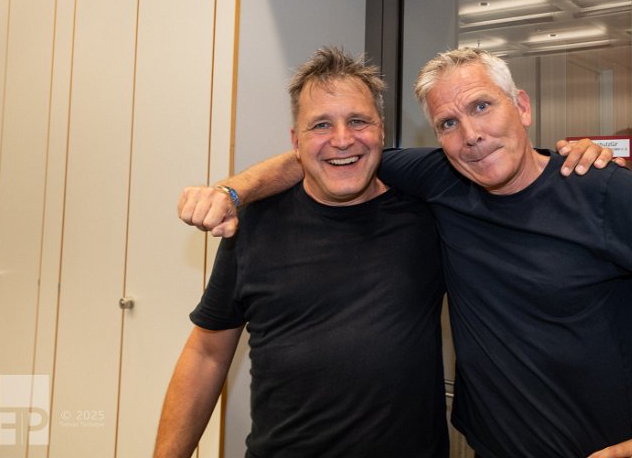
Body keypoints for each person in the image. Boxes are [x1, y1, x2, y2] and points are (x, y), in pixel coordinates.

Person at [178, 48, 632, 458]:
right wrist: (233, 191)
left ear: (522, 106)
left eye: (482, 106)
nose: (469, 135)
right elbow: (331, 156)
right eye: (447, 123)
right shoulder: (439, 181)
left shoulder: (596, 188)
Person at [154, 48, 450, 457]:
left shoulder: (427, 215)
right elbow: (206, 354)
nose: (342, 139)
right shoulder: (253, 224)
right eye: (321, 124)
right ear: (296, 140)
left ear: (381, 131)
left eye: (358, 121)